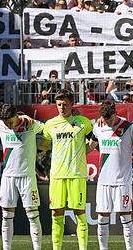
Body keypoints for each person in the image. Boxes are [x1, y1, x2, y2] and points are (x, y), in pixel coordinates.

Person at [42, 89, 93, 250]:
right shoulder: (50, 125)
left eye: (65, 104)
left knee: (80, 213)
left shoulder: (83, 122)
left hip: (77, 174)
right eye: (59, 104)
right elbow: (42, 146)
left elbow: (94, 139)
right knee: (56, 214)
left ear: (72, 105)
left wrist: (84, 151)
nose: (62, 107)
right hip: (57, 175)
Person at [91, 100, 133, 250]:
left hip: (122, 181)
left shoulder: (128, 127)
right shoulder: (98, 127)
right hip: (104, 181)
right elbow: (91, 146)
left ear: (115, 113)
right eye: (105, 119)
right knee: (102, 218)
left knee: (125, 217)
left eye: (110, 119)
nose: (107, 122)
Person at [0, 103, 47, 250]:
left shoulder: (31, 124)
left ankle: (37, 248)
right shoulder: (1, 125)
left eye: (11, 121)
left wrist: (41, 148)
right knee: (6, 216)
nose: (8, 125)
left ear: (16, 116)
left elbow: (47, 129)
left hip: (27, 176)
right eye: (6, 122)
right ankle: (6, 248)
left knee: (33, 215)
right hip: (8, 177)